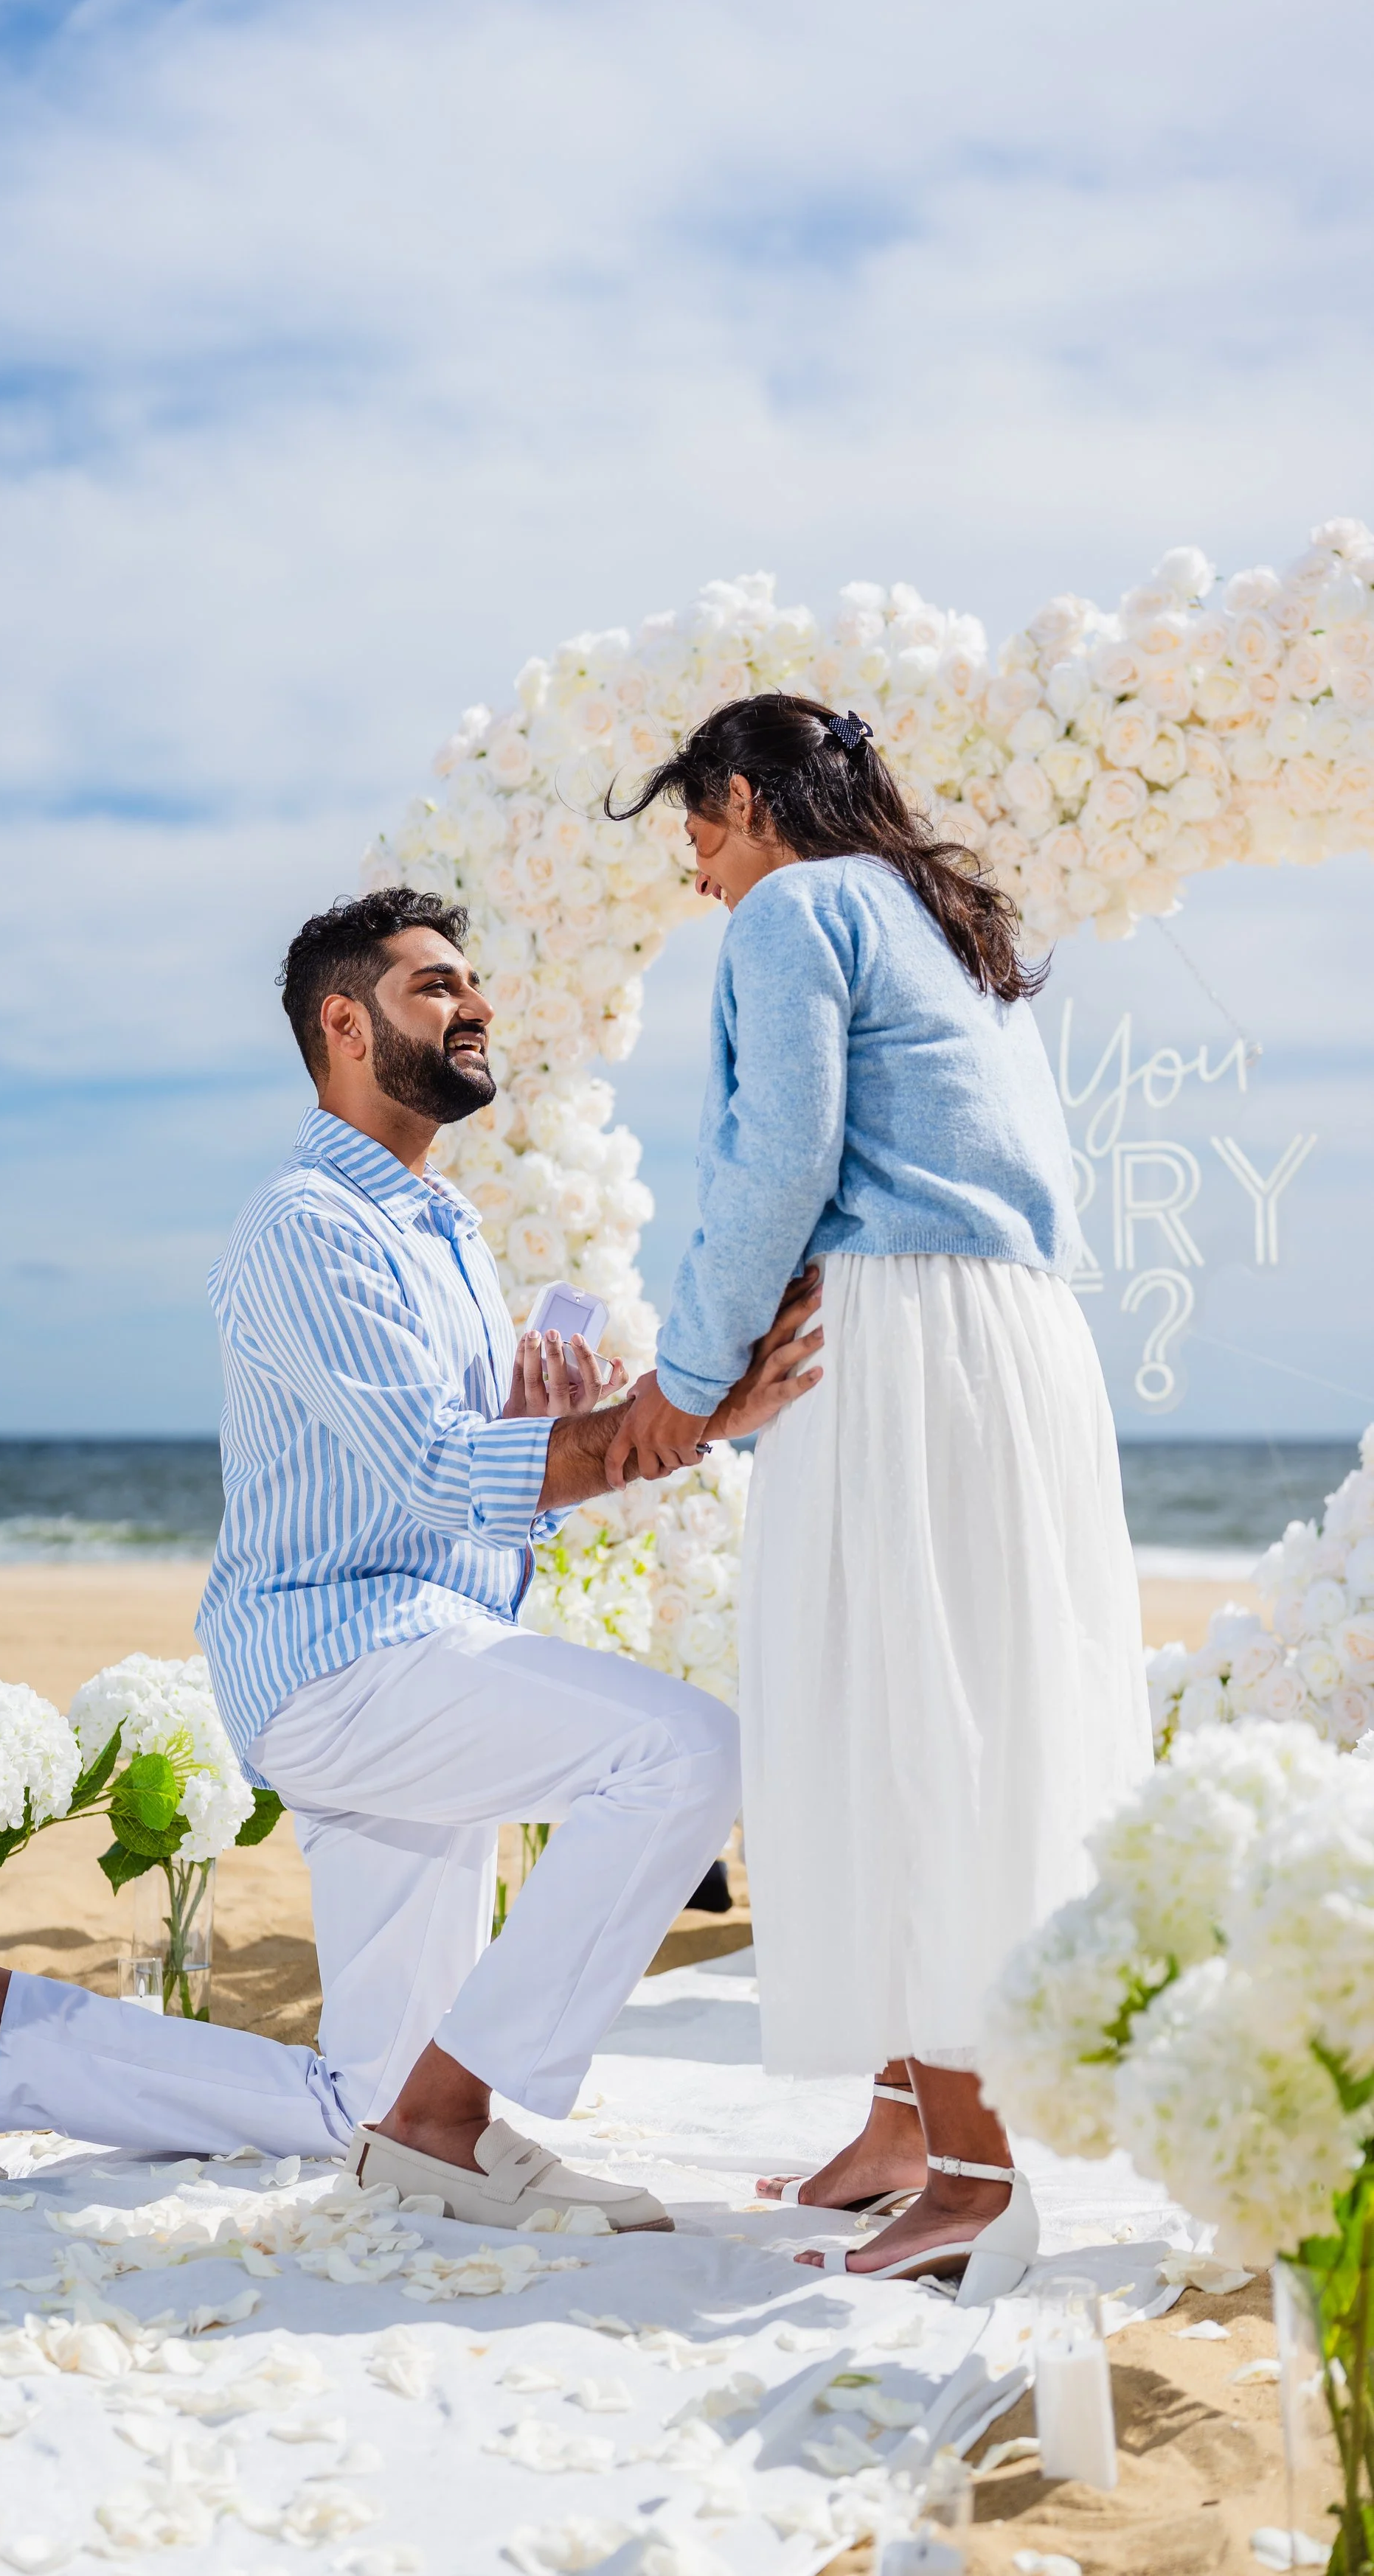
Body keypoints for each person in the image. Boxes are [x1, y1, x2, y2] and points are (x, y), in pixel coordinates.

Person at [0, 886, 823, 2224]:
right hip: (349, 1667)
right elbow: (440, 1472)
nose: (476, 1004)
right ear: (345, 1023)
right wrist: (670, 1425)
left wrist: (544, 1437)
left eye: (472, 982)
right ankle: (458, 2122)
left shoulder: (440, 1229)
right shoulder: (307, 1226)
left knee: (368, 2104)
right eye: (435, 985)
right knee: (684, 1752)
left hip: (420, 1653)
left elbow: (442, 1482)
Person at [606, 695, 1151, 2300]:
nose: (699, 877)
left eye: (696, 836)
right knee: (960, 1701)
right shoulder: (936, 921)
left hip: (895, 1333)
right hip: (1014, 1337)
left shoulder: (794, 908)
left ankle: (976, 2181)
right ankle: (910, 2121)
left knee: (895, 1721)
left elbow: (776, 1157)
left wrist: (685, 1381)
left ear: (741, 800)